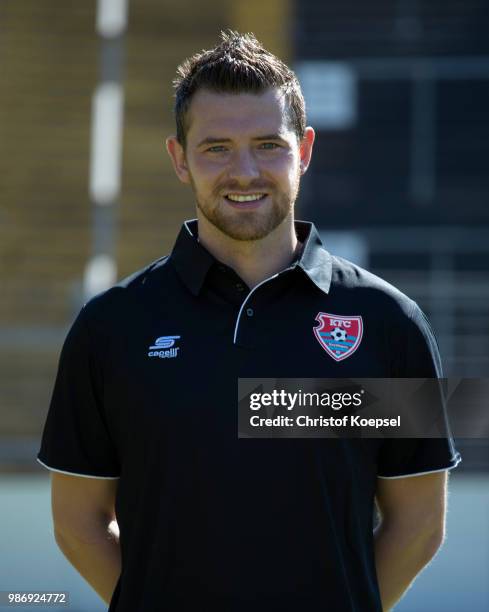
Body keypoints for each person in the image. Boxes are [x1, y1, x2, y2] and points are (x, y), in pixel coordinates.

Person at [38, 31, 461, 612]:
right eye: (216, 148)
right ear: (179, 159)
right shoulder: (111, 328)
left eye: (268, 144)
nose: (245, 171)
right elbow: (77, 523)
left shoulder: (389, 322)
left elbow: (418, 525)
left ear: (305, 150)